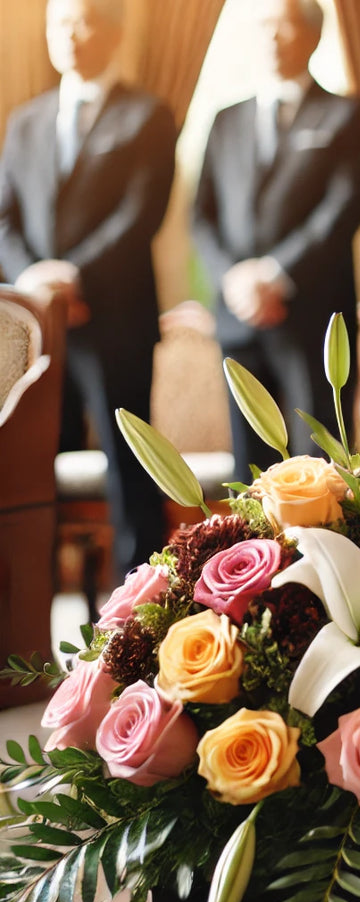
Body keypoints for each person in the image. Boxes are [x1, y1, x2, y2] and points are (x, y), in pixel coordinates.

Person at [0, 0, 175, 592]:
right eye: (59, 25)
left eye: (82, 23)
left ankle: (140, 615)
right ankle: (31, 610)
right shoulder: (25, 120)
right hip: (40, 330)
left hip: (115, 320)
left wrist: (72, 276)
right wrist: (37, 280)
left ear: (115, 33)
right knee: (30, 476)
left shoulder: (147, 114)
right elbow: (5, 220)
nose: (69, 37)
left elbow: (139, 214)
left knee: (131, 473)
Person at [192, 0, 360, 478]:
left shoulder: (346, 114)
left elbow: (341, 211)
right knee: (250, 467)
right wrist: (234, 280)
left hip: (313, 312)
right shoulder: (225, 118)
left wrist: (274, 275)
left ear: (313, 37)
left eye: (284, 28)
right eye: (263, 28)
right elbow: (201, 215)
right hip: (238, 316)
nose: (271, 38)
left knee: (323, 465)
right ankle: (253, 556)